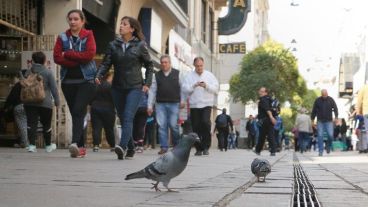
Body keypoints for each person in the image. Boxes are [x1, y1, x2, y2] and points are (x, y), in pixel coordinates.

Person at [96, 16, 153, 160]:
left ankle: (121, 146)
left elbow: (149, 65)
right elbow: (106, 63)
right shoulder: (113, 45)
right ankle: (131, 149)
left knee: (128, 117)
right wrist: (99, 75)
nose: (121, 26)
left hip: (135, 87)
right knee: (122, 117)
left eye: (124, 24)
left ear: (132, 29)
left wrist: (147, 83)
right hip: (117, 87)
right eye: (121, 24)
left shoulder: (140, 45)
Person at [53, 9, 97, 158]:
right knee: (76, 113)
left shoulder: (88, 35)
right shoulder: (62, 37)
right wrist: (77, 61)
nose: (72, 21)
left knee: (78, 110)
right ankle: (81, 147)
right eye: (70, 19)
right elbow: (57, 58)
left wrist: (69, 54)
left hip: (87, 81)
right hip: (68, 82)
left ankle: (74, 143)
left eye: (76, 19)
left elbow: (89, 55)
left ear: (82, 21)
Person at [147, 55, 186, 154]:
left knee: (173, 125)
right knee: (162, 126)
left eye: (166, 62)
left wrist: (183, 100)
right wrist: (149, 106)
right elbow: (152, 91)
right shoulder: (157, 75)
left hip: (174, 103)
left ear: (170, 63)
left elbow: (183, 88)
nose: (164, 64)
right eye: (162, 62)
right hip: (160, 104)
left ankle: (177, 145)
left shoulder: (178, 73)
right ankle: (164, 147)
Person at [23, 51, 60, 152]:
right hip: (45, 102)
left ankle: (32, 145)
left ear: (33, 61)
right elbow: (54, 89)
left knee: (31, 123)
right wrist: (57, 101)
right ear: (44, 61)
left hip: (29, 102)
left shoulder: (28, 72)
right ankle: (48, 146)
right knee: (46, 124)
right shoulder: (48, 72)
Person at [182, 57, 219, 156]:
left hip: (206, 104)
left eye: (201, 65)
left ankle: (206, 147)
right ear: (194, 66)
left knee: (205, 123)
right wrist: (193, 86)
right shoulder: (189, 76)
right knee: (196, 126)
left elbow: (216, 89)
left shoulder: (209, 75)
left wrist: (206, 86)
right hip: (194, 105)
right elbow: (185, 90)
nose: (199, 67)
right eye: (197, 66)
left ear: (203, 65)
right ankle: (198, 148)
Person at [90, 72, 115, 152]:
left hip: (95, 108)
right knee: (109, 128)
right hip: (108, 109)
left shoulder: (96, 85)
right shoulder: (111, 87)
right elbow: (114, 99)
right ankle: (112, 145)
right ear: (108, 77)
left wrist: (92, 104)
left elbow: (90, 98)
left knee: (96, 127)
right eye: (112, 77)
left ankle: (96, 145)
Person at [3, 70, 28, 148]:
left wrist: (6, 107)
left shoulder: (18, 85)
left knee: (21, 125)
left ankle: (24, 143)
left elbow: (11, 97)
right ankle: (28, 142)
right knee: (27, 125)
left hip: (19, 106)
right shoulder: (30, 84)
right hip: (30, 107)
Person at [311, 89, 338, 156]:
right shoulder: (317, 100)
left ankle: (328, 146)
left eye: (325, 95)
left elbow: (335, 108)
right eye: (323, 95)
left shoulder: (331, 100)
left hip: (329, 121)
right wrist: (312, 120)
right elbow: (314, 110)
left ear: (327, 94)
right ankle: (320, 151)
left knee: (330, 135)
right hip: (320, 121)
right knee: (320, 136)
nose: (324, 96)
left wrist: (336, 117)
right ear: (321, 94)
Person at [254, 87, 277, 156]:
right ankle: (272, 151)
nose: (260, 92)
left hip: (265, 120)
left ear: (265, 92)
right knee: (270, 135)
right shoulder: (270, 99)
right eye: (260, 91)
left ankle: (258, 150)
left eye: (262, 91)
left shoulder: (263, 99)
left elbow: (267, 109)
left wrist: (271, 117)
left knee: (262, 136)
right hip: (269, 120)